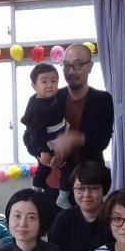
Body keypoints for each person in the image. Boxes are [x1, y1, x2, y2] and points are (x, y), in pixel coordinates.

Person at [49, 44, 114, 186]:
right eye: (66, 65)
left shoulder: (102, 99)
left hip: (90, 180)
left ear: (90, 66)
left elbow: (102, 140)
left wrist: (75, 139)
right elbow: (30, 134)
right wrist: (40, 153)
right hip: (55, 180)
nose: (71, 71)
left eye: (77, 65)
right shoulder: (53, 97)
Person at [20, 63, 71, 208]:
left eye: (54, 81)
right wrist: (42, 151)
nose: (50, 85)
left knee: (45, 168)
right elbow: (36, 132)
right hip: (46, 143)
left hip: (55, 137)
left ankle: (37, 191)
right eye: (44, 82)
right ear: (34, 86)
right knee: (64, 166)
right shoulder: (39, 107)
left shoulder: (48, 97)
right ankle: (61, 196)